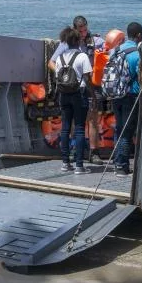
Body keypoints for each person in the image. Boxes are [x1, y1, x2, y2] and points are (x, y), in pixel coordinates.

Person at [50, 28, 94, 174]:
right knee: (80, 128)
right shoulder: (82, 57)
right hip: (79, 94)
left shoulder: (60, 58)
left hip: (63, 94)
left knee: (65, 128)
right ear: (77, 40)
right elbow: (87, 78)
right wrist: (93, 95)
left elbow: (58, 76)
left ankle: (65, 163)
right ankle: (79, 165)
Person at [111, 22, 142, 177]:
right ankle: (122, 166)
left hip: (115, 94)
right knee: (127, 131)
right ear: (139, 35)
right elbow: (141, 76)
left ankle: (116, 161)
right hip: (130, 95)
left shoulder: (115, 50)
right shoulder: (137, 54)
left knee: (119, 128)